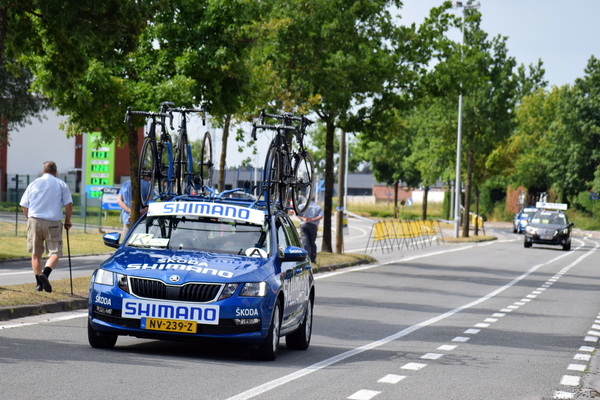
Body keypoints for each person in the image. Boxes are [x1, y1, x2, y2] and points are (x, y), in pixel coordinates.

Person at [19, 161, 73, 293]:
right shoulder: (61, 184)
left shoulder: (34, 184)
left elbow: (24, 205)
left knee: (36, 253)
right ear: (55, 172)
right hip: (53, 222)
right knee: (55, 252)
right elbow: (68, 205)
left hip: (35, 220)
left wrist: (30, 219)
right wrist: (67, 221)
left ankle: (39, 284)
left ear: (43, 171)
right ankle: (46, 274)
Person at [297, 195, 323, 264]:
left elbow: (297, 214)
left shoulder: (302, 206)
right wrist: (312, 219)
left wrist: (304, 219)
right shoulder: (318, 207)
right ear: (314, 199)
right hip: (313, 225)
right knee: (312, 242)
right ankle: (312, 258)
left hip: (303, 224)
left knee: (305, 242)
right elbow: (321, 216)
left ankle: (306, 258)